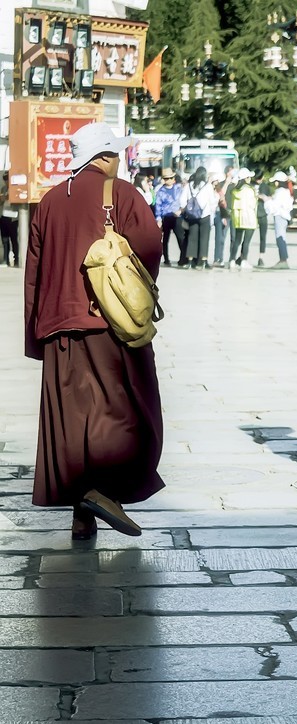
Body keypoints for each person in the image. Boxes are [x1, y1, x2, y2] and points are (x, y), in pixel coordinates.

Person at [23, 122, 164, 540]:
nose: (119, 160)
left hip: (57, 328)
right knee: (127, 413)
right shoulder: (119, 193)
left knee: (72, 422)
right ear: (103, 156)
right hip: (109, 325)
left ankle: (83, 516)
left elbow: (33, 271)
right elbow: (151, 243)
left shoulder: (49, 201)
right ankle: (104, 494)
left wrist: (35, 335)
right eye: (115, 153)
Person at [179, 167, 217, 269]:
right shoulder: (208, 186)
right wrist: (211, 211)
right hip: (205, 215)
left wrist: (187, 209)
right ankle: (202, 261)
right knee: (204, 238)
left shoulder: (189, 185)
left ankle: (190, 260)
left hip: (192, 216)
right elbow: (212, 201)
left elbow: (182, 200)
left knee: (192, 238)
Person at [154, 168, 184, 267]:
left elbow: (183, 201)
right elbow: (158, 205)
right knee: (165, 239)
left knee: (180, 238)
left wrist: (181, 210)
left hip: (177, 216)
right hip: (166, 217)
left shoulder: (179, 189)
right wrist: (158, 218)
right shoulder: (160, 191)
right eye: (166, 178)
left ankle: (183, 258)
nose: (169, 180)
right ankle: (166, 259)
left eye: (171, 178)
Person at [228, 169, 258, 270]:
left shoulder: (235, 190)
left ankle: (232, 260)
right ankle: (244, 261)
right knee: (246, 242)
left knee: (237, 241)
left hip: (238, 219)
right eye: (249, 177)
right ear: (246, 178)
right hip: (249, 219)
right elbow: (253, 205)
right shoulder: (249, 190)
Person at [264, 171, 293, 269]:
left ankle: (283, 259)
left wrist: (267, 201)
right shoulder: (286, 191)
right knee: (282, 238)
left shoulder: (280, 192)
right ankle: (284, 258)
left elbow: (274, 207)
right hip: (284, 216)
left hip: (280, 216)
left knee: (280, 238)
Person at [212, 166, 234, 268]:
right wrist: (226, 183)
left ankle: (232, 259)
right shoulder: (221, 184)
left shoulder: (236, 185)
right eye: (231, 173)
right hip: (223, 213)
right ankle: (218, 258)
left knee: (234, 238)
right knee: (221, 238)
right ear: (226, 174)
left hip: (234, 214)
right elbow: (221, 195)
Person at [1, 176, 20, 266]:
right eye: (4, 180)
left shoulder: (16, 188)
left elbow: (18, 200)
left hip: (13, 217)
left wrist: (10, 197)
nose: (6, 181)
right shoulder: (4, 189)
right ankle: (5, 260)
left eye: (7, 179)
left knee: (14, 240)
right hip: (4, 215)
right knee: (5, 240)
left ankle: (16, 260)